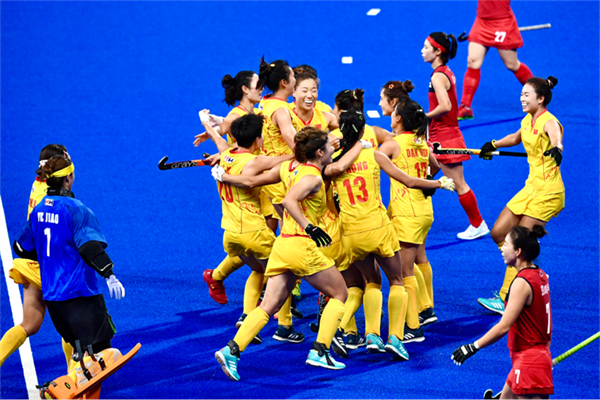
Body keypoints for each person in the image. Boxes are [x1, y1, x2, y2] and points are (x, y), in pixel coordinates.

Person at [214, 127, 350, 381]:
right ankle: (320, 351)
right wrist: (309, 227)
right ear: (319, 153)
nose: (332, 150)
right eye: (329, 148)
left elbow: (251, 181)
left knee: (268, 306)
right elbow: (289, 201)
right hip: (302, 246)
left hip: (283, 245)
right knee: (340, 293)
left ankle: (231, 350)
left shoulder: (288, 167)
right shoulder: (313, 178)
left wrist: (224, 176)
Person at [324, 110, 455, 360]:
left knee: (371, 281)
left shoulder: (332, 165)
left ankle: (371, 334)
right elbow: (409, 181)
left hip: (351, 233)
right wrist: (439, 183)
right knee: (396, 280)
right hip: (378, 229)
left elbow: (328, 198)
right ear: (363, 131)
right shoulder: (375, 154)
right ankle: (395, 337)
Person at [13, 154, 126, 388]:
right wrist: (109, 274)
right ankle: (62, 387)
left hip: (53, 298)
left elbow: (21, 247)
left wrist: (52, 257)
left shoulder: (39, 210)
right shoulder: (77, 210)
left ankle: (70, 384)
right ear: (68, 178)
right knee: (102, 353)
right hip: (79, 295)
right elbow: (89, 247)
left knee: (82, 352)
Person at [200, 110, 295, 345]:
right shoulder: (256, 161)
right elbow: (290, 157)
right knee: (284, 274)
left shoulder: (225, 153)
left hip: (231, 235)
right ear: (257, 140)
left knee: (259, 271)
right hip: (254, 232)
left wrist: (205, 122)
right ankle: (285, 326)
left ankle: (246, 316)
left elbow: (216, 137)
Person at [477, 77, 562, 315]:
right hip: (530, 188)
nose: (522, 99)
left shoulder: (549, 121)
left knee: (518, 242)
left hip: (548, 192)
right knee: (498, 233)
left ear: (541, 99)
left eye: (527, 95)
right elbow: (516, 138)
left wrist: (557, 148)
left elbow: (556, 136)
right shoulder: (527, 120)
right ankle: (527, 268)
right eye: (522, 94)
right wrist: (493, 144)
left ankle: (505, 298)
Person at [195, 71, 279, 307]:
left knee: (256, 244)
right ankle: (273, 301)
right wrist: (217, 131)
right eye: (257, 85)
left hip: (256, 176)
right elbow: (229, 139)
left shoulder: (254, 111)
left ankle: (248, 292)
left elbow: (226, 143)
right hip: (248, 180)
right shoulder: (237, 116)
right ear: (245, 89)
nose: (261, 89)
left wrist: (213, 129)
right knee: (259, 243)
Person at [452, 225, 553, 400]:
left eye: (506, 244)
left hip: (529, 362)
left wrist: (473, 347)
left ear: (518, 251)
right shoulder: (540, 275)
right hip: (532, 358)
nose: (503, 249)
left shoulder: (522, 283)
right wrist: (543, 356)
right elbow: (544, 323)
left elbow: (504, 325)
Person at [0, 145, 74, 369]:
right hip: (49, 266)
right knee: (71, 323)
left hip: (30, 263)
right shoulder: (54, 197)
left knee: (29, 324)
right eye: (66, 158)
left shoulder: (38, 184)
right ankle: (75, 376)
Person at [379, 99, 441, 343]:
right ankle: (425, 309)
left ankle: (413, 327)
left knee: (404, 272)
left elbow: (373, 159)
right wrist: (425, 179)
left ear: (398, 118)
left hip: (406, 213)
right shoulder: (421, 142)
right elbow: (435, 166)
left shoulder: (393, 144)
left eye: (393, 113)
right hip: (424, 210)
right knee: (415, 260)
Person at [422, 31, 490, 240]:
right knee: (423, 176)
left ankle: (478, 224)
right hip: (439, 134)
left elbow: (446, 106)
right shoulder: (445, 72)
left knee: (458, 183)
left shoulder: (438, 76)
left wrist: (424, 117)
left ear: (438, 51)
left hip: (445, 136)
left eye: (426, 47)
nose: (422, 51)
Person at [458, 0, 533, 120]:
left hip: (502, 22)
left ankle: (538, 92)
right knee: (473, 61)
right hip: (482, 21)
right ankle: (465, 107)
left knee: (512, 64)